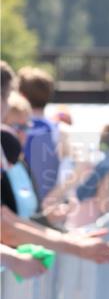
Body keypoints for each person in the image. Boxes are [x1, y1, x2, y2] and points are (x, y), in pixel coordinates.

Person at [17, 66, 61, 203]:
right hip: (48, 203)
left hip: (20, 202)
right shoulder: (57, 130)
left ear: (21, 95)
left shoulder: (15, 129)